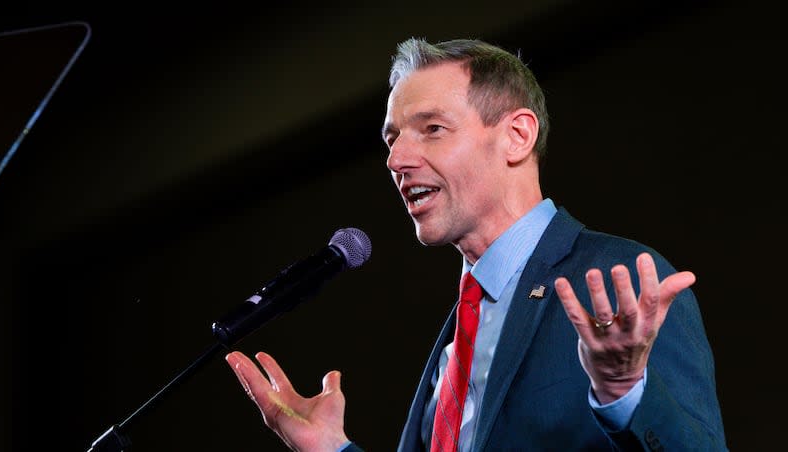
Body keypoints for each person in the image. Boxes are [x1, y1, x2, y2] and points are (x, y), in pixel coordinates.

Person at [224, 37, 727, 451]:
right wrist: (333, 450)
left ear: (516, 136)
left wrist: (624, 393)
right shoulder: (462, 328)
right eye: (392, 138)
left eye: (433, 129)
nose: (396, 159)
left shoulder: (621, 281)